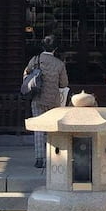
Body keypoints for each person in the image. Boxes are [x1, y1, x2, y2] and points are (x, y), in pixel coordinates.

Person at [23, 35, 68, 168]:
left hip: (37, 98)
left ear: (43, 46)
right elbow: (64, 83)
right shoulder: (59, 64)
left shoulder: (35, 60)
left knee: (38, 129)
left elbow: (26, 73)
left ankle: (39, 158)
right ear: (55, 48)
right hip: (53, 101)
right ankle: (53, 156)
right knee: (52, 129)